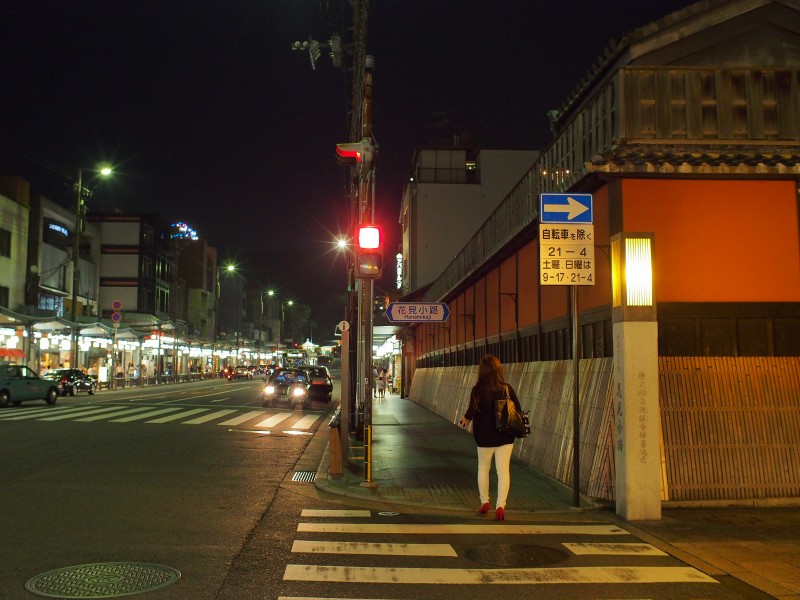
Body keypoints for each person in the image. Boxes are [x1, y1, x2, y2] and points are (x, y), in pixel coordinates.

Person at [458, 355, 522, 521]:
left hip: (484, 437)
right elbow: (518, 410)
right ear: (498, 370)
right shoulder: (507, 389)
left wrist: (465, 419)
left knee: (483, 468)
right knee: (503, 472)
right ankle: (500, 507)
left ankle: (485, 502)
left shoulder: (477, 390)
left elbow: (471, 411)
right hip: (505, 436)